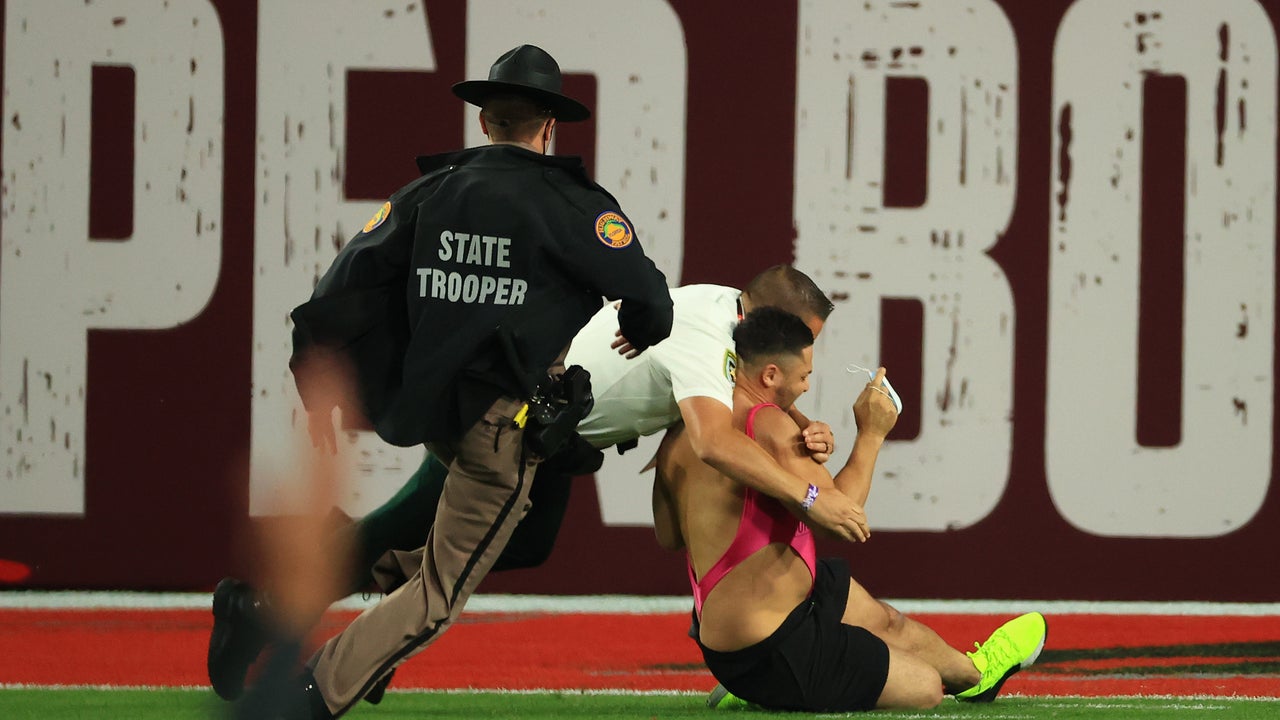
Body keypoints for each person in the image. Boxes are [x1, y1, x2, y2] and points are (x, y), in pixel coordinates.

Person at [244, 44, 678, 719]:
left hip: (437, 417)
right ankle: (310, 694)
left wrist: (313, 374)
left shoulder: (429, 191)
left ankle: (333, 615)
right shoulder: (572, 203)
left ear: (485, 121)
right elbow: (650, 297)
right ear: (549, 126)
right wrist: (643, 330)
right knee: (439, 596)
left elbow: (343, 283)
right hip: (500, 428)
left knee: (501, 543)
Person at [210, 265, 873, 705]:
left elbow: (756, 381)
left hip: (551, 431)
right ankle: (262, 610)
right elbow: (713, 439)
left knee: (515, 543)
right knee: (415, 531)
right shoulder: (702, 332)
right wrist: (811, 494)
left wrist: (802, 419)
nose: (798, 362)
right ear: (764, 317)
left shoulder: (735, 319)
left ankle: (342, 597)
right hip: (507, 418)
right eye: (799, 345)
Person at [651, 307, 1048, 712]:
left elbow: (668, 537)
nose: (807, 387)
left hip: (737, 624)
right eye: (804, 375)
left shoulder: (685, 429)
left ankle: (977, 677)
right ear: (770, 376)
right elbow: (843, 519)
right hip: (767, 649)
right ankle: (766, 691)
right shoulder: (768, 423)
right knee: (926, 688)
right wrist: (872, 433)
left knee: (886, 622)